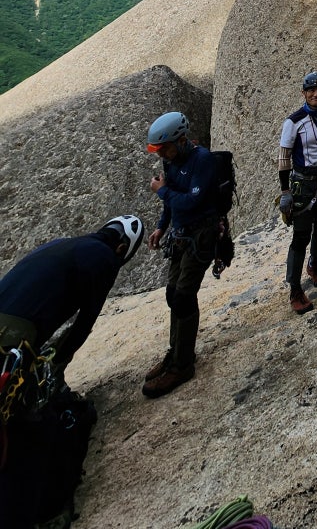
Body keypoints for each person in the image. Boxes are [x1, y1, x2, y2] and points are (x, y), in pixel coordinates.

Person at [0, 215, 143, 528]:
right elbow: (84, 323)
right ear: (122, 248)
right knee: (36, 427)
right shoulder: (105, 258)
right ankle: (40, 513)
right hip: (13, 338)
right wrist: (58, 364)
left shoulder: (63, 244)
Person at [142, 111, 221, 398]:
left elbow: (193, 201)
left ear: (181, 139)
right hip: (181, 235)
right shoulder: (172, 161)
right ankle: (176, 351)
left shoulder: (202, 160)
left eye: (164, 147)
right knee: (173, 294)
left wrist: (162, 193)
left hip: (202, 234)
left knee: (184, 296)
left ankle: (182, 365)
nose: (161, 153)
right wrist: (161, 228)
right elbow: (173, 202)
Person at [278, 71, 317, 315]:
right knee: (301, 236)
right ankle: (295, 289)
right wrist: (285, 191)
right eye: (311, 90)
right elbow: (284, 158)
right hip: (303, 186)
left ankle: (315, 262)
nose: (316, 94)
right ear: (303, 93)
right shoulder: (293, 122)